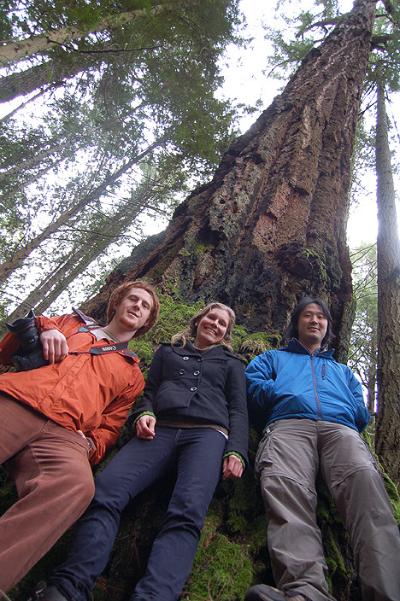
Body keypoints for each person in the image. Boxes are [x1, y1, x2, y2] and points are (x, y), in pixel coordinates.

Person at [37, 302, 248, 601]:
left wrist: (236, 451)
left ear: (226, 333)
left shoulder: (232, 363)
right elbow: (148, 392)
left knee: (187, 514)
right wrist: (144, 413)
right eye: (211, 318)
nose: (215, 324)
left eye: (222, 323)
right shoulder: (168, 352)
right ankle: (70, 586)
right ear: (199, 320)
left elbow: (239, 409)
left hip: (208, 436)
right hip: (160, 430)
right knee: (106, 493)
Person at [0, 280, 160, 593]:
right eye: (133, 299)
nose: (138, 306)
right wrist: (45, 328)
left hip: (65, 435)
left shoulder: (132, 375)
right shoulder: (72, 323)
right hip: (19, 399)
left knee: (77, 485)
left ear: (146, 322)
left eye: (145, 307)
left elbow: (110, 427)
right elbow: (7, 349)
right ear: (117, 304)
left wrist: (90, 446)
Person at [244, 296, 400, 601]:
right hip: (289, 425)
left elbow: (360, 409)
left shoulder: (341, 371)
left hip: (341, 430)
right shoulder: (273, 358)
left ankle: (388, 592)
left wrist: (350, 412)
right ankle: (307, 591)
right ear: (297, 323)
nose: (315, 320)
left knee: (369, 495)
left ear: (327, 326)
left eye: (321, 317)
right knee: (287, 492)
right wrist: (284, 393)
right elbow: (253, 384)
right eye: (308, 316)